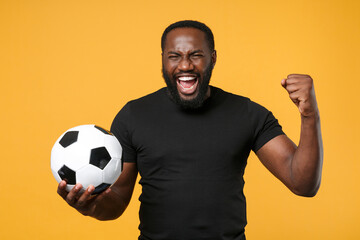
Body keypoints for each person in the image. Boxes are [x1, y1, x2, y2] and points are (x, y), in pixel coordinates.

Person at [57, 20, 323, 240]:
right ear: (163, 60)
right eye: (175, 56)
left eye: (196, 55)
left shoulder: (248, 113)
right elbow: (116, 201)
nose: (185, 65)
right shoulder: (133, 115)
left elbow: (302, 183)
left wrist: (309, 115)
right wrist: (91, 206)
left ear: (213, 58)